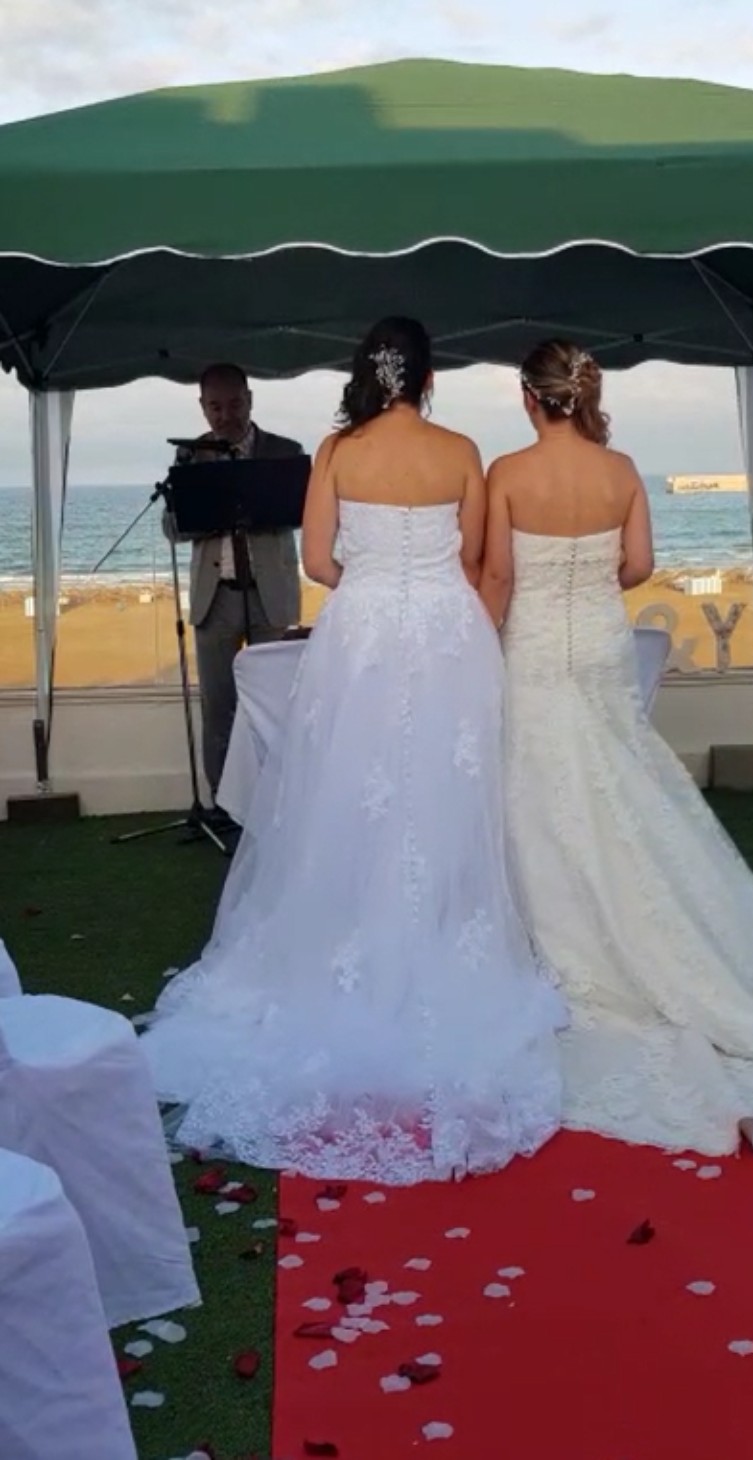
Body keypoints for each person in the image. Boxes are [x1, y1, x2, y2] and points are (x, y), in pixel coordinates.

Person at [142, 318, 565, 1184]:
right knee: (441, 794)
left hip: (364, 635)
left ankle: (347, 939)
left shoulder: (337, 450)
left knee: (349, 791)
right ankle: (435, 940)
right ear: (428, 378)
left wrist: (376, 581)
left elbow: (319, 563)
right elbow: (476, 558)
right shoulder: (460, 450)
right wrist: (425, 587)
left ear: (366, 374)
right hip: (446, 635)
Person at [480, 337, 753, 1162]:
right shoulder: (621, 470)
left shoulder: (507, 473)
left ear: (529, 398)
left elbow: (498, 578)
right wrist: (587, 581)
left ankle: (564, 939)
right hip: (597, 640)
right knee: (616, 780)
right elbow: (640, 565)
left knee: (539, 787)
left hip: (535, 646)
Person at [165, 363, 304, 810]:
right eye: (215, 407)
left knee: (274, 703)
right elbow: (171, 528)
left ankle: (277, 804)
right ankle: (223, 806)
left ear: (250, 400)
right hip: (216, 597)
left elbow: (302, 513)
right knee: (219, 707)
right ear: (202, 407)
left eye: (234, 404)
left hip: (270, 595)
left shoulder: (284, 452)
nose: (225, 415)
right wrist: (207, 510)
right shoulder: (189, 457)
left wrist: (254, 502)